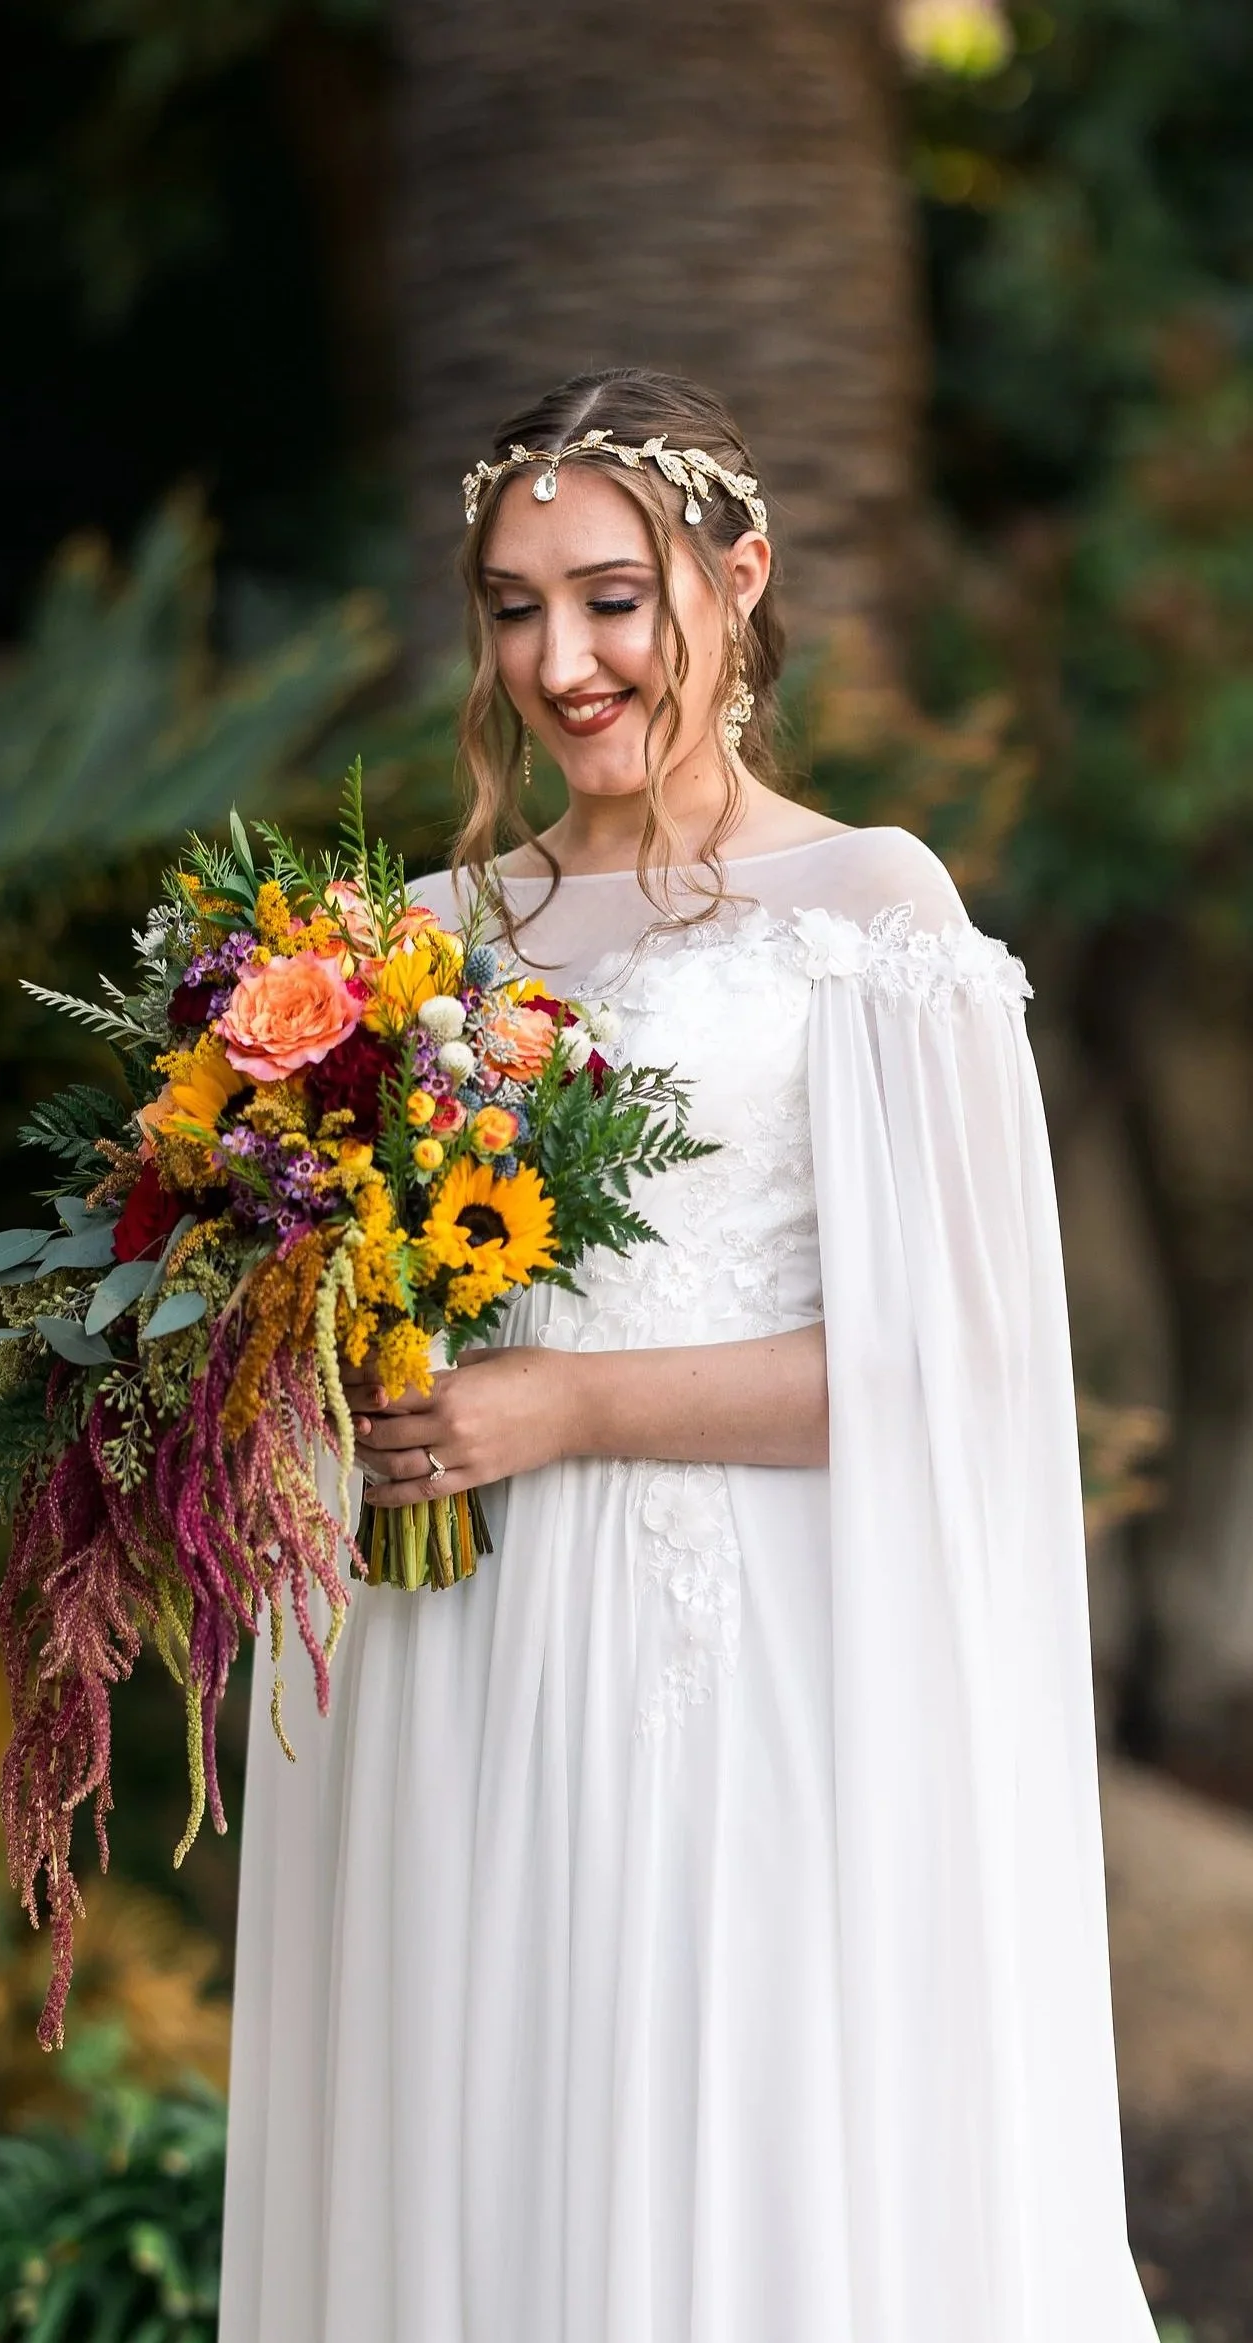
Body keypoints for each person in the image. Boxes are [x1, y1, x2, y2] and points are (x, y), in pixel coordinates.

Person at [219, 367, 1157, 2341]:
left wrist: (565, 1404)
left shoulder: (870, 910)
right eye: (509, 605)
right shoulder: (417, 938)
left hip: (739, 1659)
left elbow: (948, 1379)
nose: (559, 660)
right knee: (480, 2133)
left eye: (610, 597)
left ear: (735, 583)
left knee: (721, 2143)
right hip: (455, 1651)